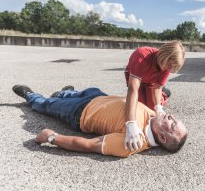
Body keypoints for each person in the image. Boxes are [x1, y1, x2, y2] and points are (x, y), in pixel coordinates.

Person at [12, 85, 188, 158]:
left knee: (46, 104)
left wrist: (52, 138)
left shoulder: (132, 142)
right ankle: (65, 93)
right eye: (175, 119)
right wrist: (162, 97)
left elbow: (87, 145)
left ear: (162, 138)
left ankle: (30, 95)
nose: (172, 117)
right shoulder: (156, 119)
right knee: (86, 90)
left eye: (173, 124)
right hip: (100, 97)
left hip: (80, 112)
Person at [124, 41, 186, 152]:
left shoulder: (166, 65)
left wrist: (158, 107)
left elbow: (157, 86)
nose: (169, 68)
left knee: (152, 112)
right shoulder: (142, 55)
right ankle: (164, 94)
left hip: (151, 82)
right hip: (137, 79)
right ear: (164, 55)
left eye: (172, 67)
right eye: (169, 65)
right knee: (140, 108)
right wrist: (131, 123)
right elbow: (133, 89)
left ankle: (163, 94)